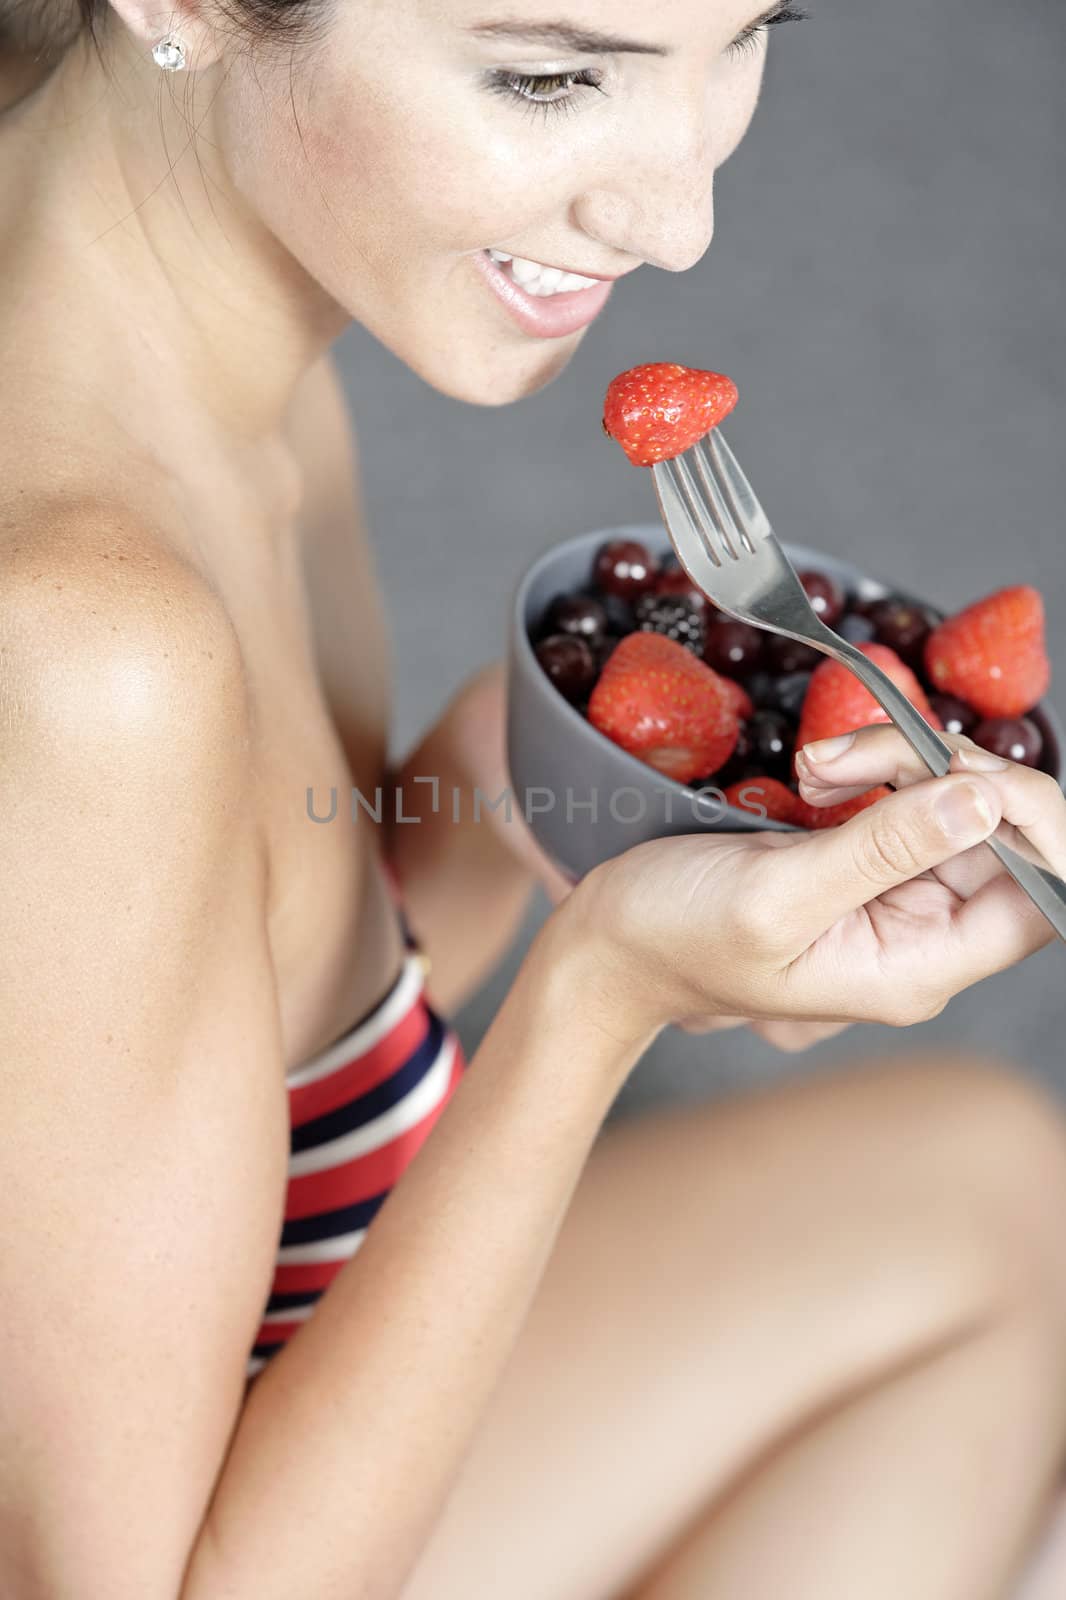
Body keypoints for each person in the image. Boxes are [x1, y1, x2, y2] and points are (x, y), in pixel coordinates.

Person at [2, 3, 1066, 1596]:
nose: (683, 221)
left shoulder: (191, 315)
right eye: (550, 76)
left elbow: (215, 1018)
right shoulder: (93, 647)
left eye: (744, 33)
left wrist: (536, 775)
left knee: (991, 1189)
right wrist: (599, 1000)